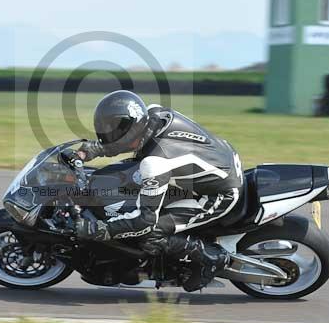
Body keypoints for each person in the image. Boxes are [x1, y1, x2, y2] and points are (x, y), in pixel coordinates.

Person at [70, 90, 244, 292]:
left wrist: (97, 230)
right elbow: (125, 141)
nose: (108, 135)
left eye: (113, 130)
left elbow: (144, 221)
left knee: (152, 234)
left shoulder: (155, 163)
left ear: (131, 128)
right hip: (218, 161)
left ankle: (211, 257)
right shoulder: (152, 113)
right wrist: (87, 151)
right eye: (105, 128)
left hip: (219, 194)